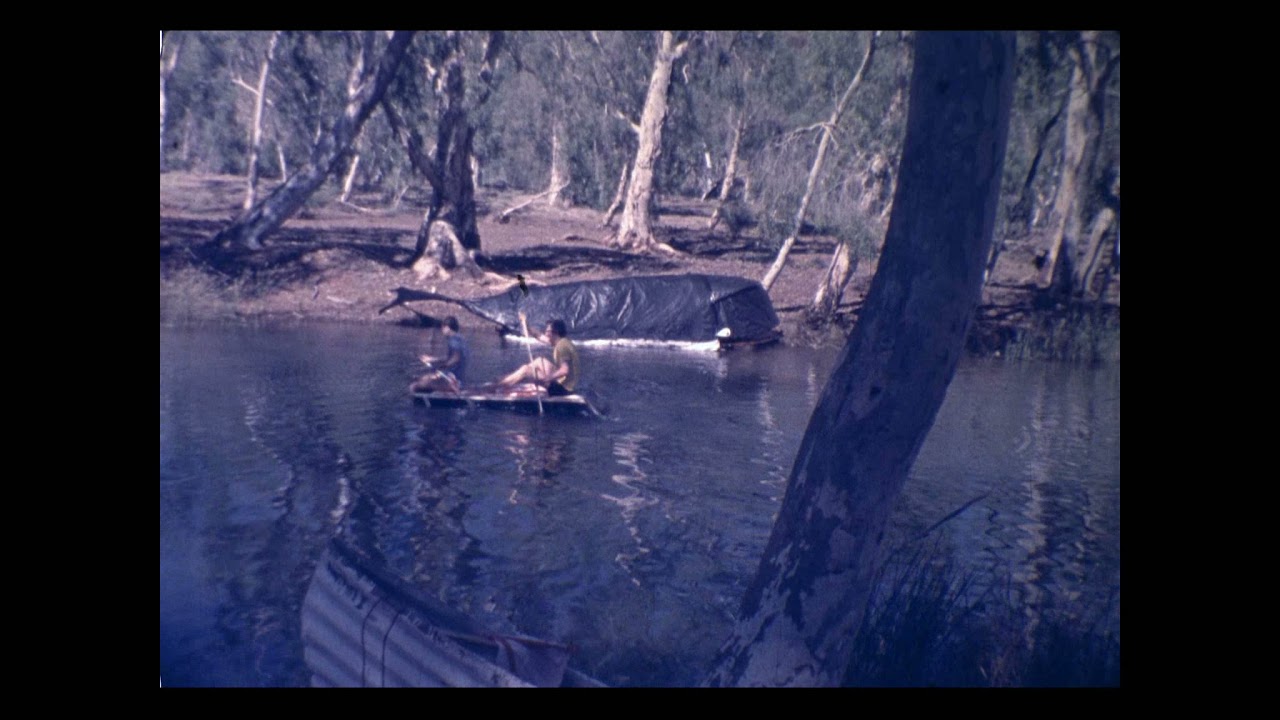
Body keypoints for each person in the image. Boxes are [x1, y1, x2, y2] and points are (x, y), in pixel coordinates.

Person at [495, 313, 579, 396]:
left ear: (555, 332)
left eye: (548, 331)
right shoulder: (562, 341)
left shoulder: (562, 347)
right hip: (565, 383)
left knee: (526, 369)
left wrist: (547, 379)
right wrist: (526, 324)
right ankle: (509, 379)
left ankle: (497, 387)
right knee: (539, 360)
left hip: (562, 389)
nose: (546, 334)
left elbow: (564, 370)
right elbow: (538, 335)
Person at [410, 316, 468, 394]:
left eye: (442, 328)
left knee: (416, 385)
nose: (442, 330)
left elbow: (456, 358)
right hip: (456, 377)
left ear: (447, 328)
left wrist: (441, 367)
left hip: (452, 378)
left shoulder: (453, 340)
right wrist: (432, 359)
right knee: (422, 380)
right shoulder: (460, 339)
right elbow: (451, 358)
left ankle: (451, 387)